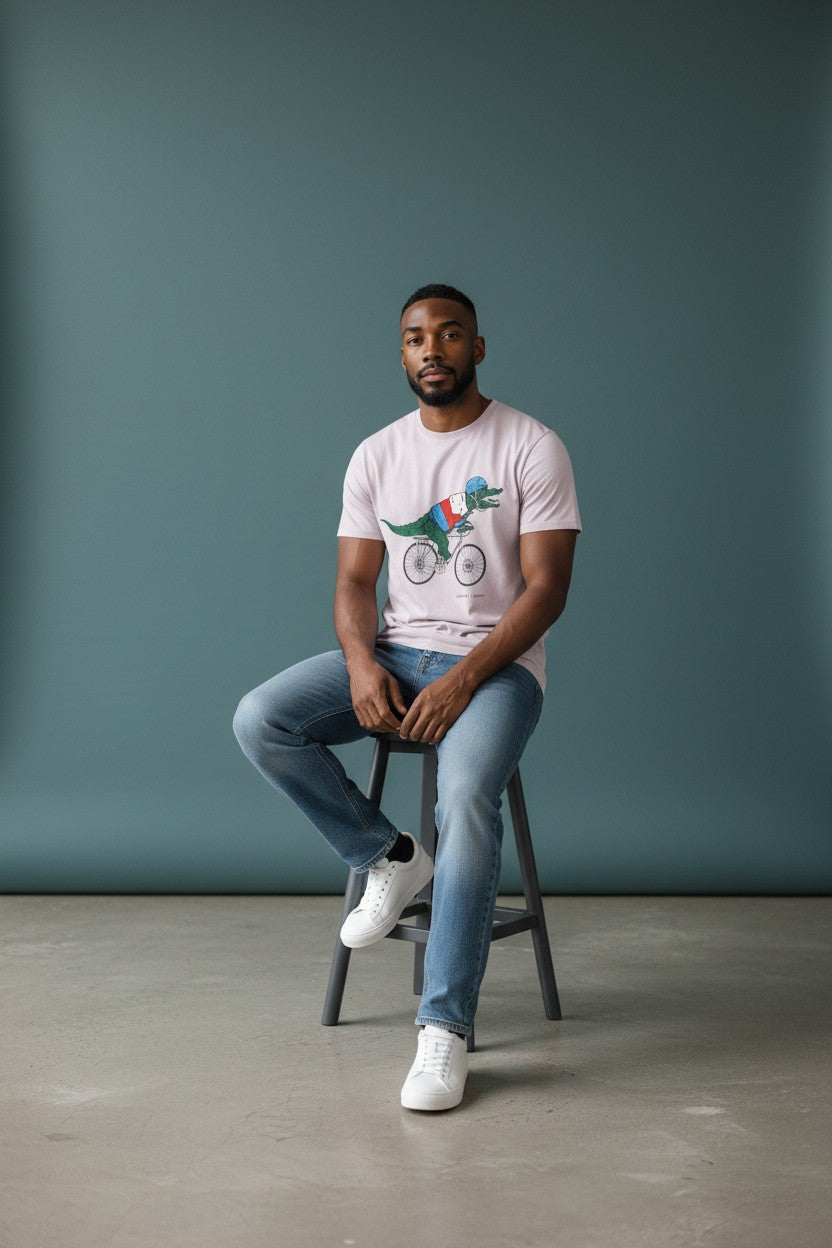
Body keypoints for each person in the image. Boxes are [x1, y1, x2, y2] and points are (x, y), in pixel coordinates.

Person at [233, 283, 581, 1112]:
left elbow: (547, 590)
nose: (433, 350)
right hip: (394, 653)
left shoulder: (532, 446)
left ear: (477, 348)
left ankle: (445, 1030)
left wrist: (464, 679)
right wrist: (360, 664)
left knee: (463, 796)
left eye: (450, 335)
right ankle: (385, 854)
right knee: (263, 719)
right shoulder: (376, 454)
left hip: (498, 669)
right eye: (417, 338)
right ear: (402, 354)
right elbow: (355, 582)